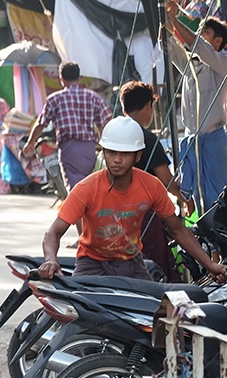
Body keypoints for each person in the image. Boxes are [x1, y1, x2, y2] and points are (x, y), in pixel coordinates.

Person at [36, 117, 227, 282]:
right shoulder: (86, 189)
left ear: (138, 156)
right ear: (104, 152)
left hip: (133, 262)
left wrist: (209, 264)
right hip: (92, 263)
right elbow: (53, 232)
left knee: (151, 315)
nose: (117, 160)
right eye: (111, 152)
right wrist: (51, 259)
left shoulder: (151, 186)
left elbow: (177, 229)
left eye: (125, 154)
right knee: (80, 314)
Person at [166, 0, 227, 214]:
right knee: (195, 201)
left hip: (213, 141)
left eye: (206, 33)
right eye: (199, 32)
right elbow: (171, 46)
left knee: (217, 200)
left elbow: (198, 46)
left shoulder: (222, 61)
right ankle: (203, 248)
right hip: (192, 140)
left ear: (219, 41)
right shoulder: (192, 65)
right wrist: (167, 14)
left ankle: (218, 248)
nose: (200, 36)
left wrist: (175, 17)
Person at [119, 81, 184, 281]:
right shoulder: (146, 138)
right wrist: (186, 198)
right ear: (148, 106)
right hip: (144, 215)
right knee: (155, 269)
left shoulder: (116, 132)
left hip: (115, 212)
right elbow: (167, 181)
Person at [22, 62, 110, 190]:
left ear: (61, 79)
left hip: (68, 149)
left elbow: (41, 124)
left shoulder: (55, 99)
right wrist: (105, 146)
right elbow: (104, 124)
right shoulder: (93, 97)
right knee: (89, 185)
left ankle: (78, 209)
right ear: (79, 78)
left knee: (74, 189)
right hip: (89, 149)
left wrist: (30, 142)